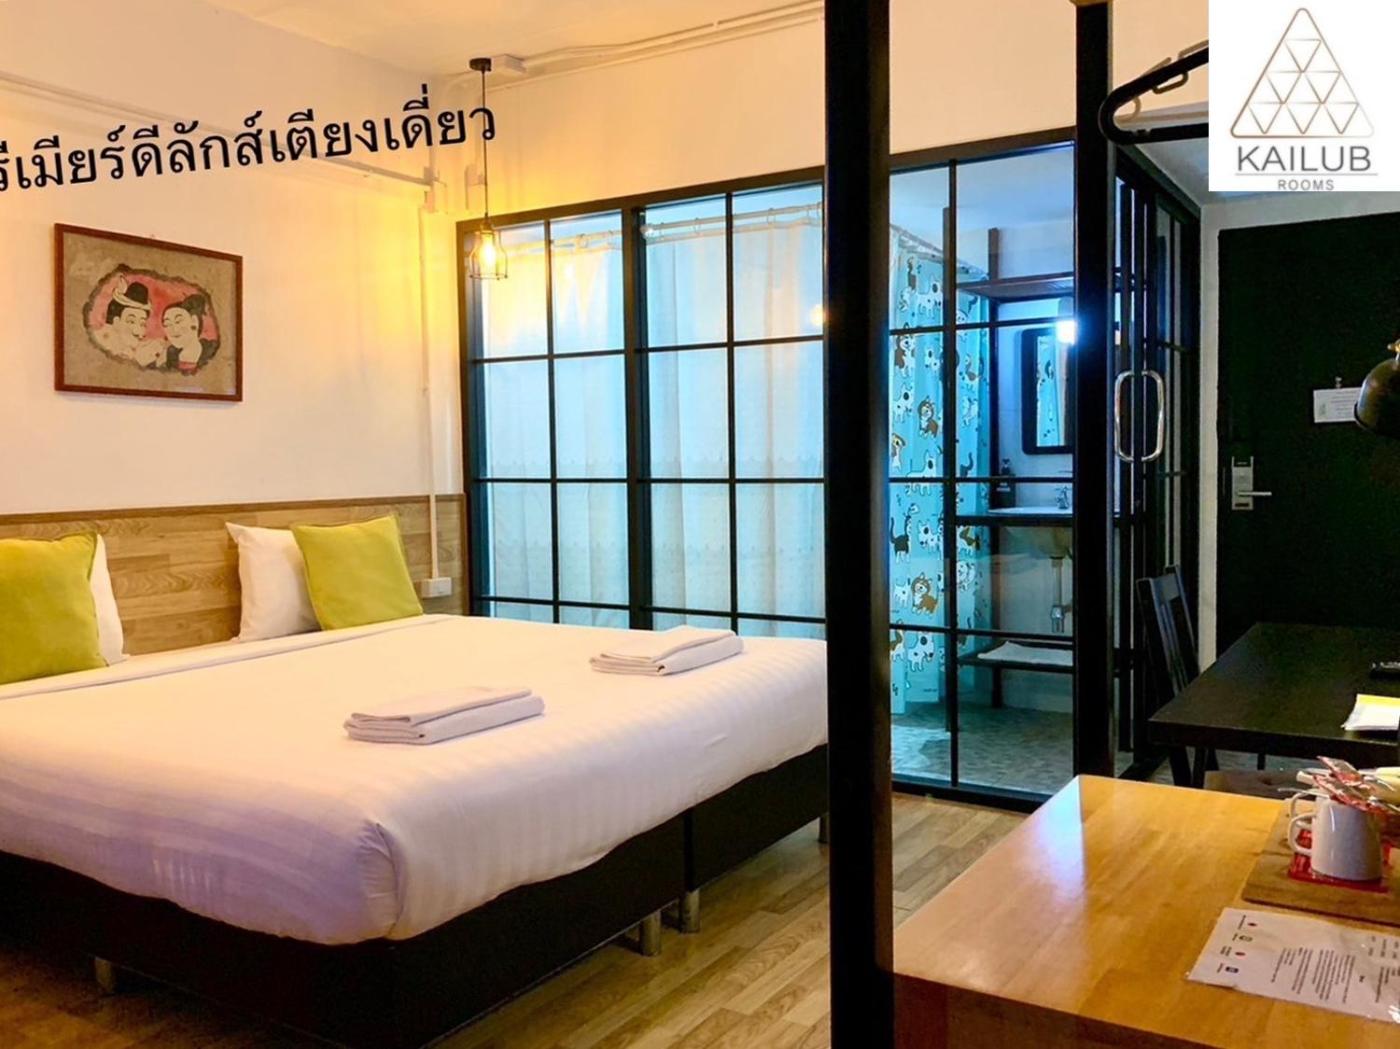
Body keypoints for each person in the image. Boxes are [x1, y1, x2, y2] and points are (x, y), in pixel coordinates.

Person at [92, 277, 164, 367]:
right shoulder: (102, 343)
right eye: (131, 322)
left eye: (142, 324)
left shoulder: (129, 347)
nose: (138, 331)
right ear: (116, 322)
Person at [159, 293, 218, 374]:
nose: (173, 329)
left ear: (194, 321)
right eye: (167, 324)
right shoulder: (170, 355)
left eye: (178, 321)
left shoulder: (212, 350)